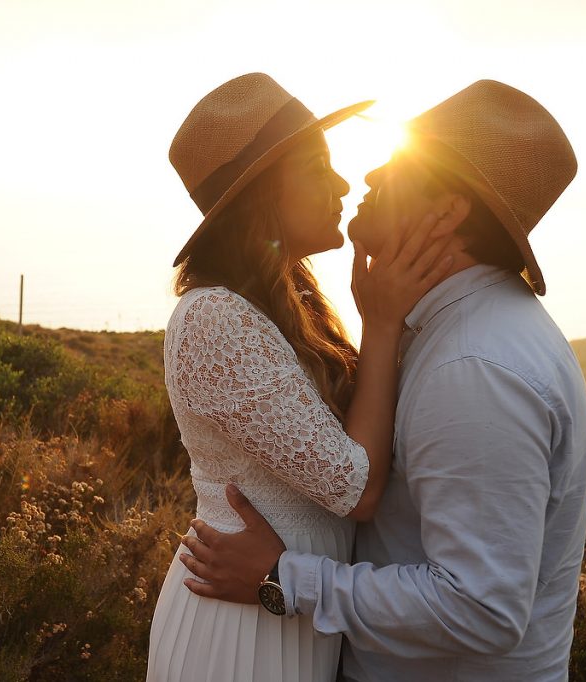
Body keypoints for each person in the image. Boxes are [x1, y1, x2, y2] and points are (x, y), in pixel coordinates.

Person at [179, 80, 586, 682]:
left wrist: (284, 579)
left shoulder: (473, 368)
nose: (365, 176)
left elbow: (481, 609)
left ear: (449, 211)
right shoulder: (448, 333)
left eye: (397, 165)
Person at [146, 73, 456, 682]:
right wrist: (384, 323)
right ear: (265, 193)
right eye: (318, 168)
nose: (342, 183)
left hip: (287, 608)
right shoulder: (215, 319)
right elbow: (358, 489)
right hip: (237, 631)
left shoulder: (290, 307)